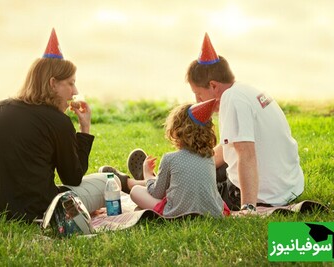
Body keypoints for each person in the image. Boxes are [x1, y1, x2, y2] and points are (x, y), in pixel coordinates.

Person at [0, 29, 118, 222]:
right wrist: (84, 129)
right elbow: (73, 178)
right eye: (70, 83)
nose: (75, 91)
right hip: (33, 209)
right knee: (108, 183)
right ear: (53, 83)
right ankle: (127, 181)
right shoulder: (59, 122)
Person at [185, 33, 304, 213]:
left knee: (188, 187)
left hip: (264, 195)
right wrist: (191, 161)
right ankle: (152, 179)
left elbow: (246, 154)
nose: (197, 101)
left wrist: (248, 207)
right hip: (288, 187)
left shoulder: (232, 100)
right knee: (198, 167)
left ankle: (142, 184)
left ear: (214, 85)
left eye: (198, 93)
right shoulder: (245, 91)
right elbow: (229, 149)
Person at [102, 100, 230, 217]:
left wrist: (147, 175)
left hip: (177, 213)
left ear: (176, 130)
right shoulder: (209, 158)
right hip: (213, 212)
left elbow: (157, 194)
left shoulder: (170, 158)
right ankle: (153, 179)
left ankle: (148, 178)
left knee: (135, 192)